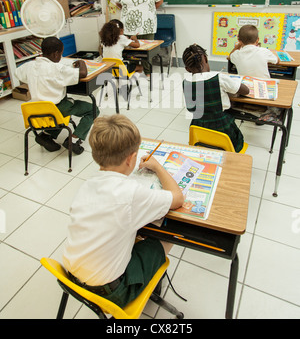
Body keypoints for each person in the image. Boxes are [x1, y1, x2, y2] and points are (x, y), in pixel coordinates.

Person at [63, 114, 184, 308]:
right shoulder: (131, 193)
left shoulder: (86, 185)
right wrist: (158, 167)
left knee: (133, 228)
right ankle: (148, 280)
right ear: (132, 159)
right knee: (169, 233)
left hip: (71, 277)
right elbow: (178, 198)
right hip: (109, 291)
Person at [15, 36, 98, 155]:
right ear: (56, 54)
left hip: (36, 109)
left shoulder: (30, 66)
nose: (60, 58)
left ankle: (46, 135)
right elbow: (83, 73)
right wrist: (82, 62)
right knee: (93, 109)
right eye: (60, 55)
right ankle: (73, 140)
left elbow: (17, 72)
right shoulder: (57, 68)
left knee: (62, 110)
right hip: (56, 108)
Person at [182, 44, 249, 153]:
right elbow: (245, 91)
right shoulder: (220, 77)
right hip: (223, 130)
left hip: (199, 131)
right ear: (205, 58)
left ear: (187, 69)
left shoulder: (186, 84)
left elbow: (191, 108)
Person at [114, 0, 163, 75]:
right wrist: (130, 11)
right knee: (130, 52)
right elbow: (118, 3)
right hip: (128, 26)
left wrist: (148, 11)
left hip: (147, 25)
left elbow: (159, 1)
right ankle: (132, 71)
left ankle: (148, 73)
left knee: (147, 51)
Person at [229, 24, 281, 122]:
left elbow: (230, 55)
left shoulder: (236, 54)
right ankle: (269, 113)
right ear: (257, 40)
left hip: (246, 91)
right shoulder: (263, 51)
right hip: (265, 92)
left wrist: (237, 46)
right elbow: (277, 61)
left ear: (239, 40)